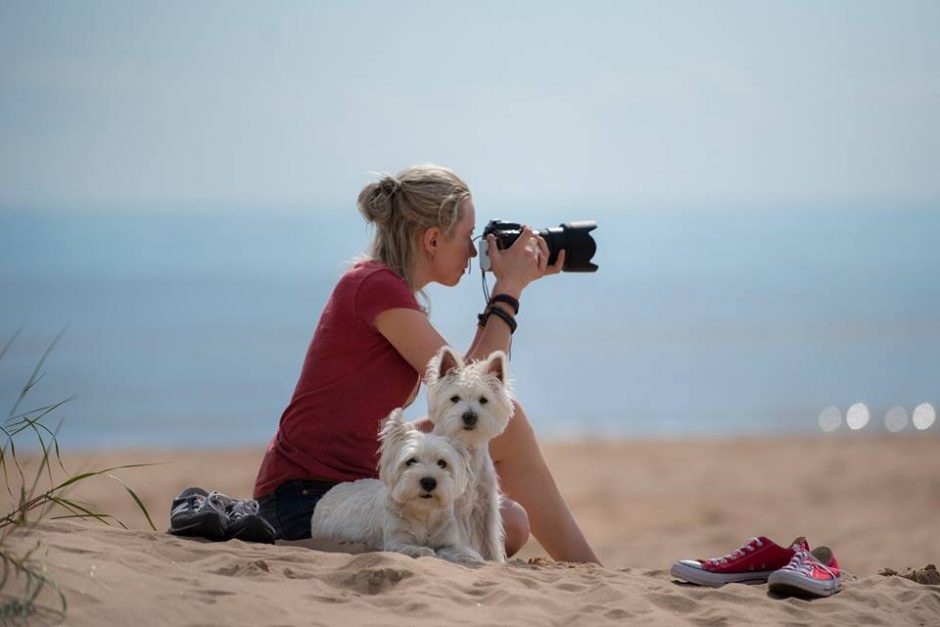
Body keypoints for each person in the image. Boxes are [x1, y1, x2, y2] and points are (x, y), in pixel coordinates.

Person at [254, 164, 599, 563]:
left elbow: (467, 390)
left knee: (507, 440)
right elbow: (465, 383)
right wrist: (509, 290)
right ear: (433, 239)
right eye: (468, 238)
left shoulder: (386, 287)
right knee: (512, 519)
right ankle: (588, 568)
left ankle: (588, 568)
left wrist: (507, 292)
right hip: (307, 500)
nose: (474, 251)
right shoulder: (374, 287)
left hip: (356, 481)